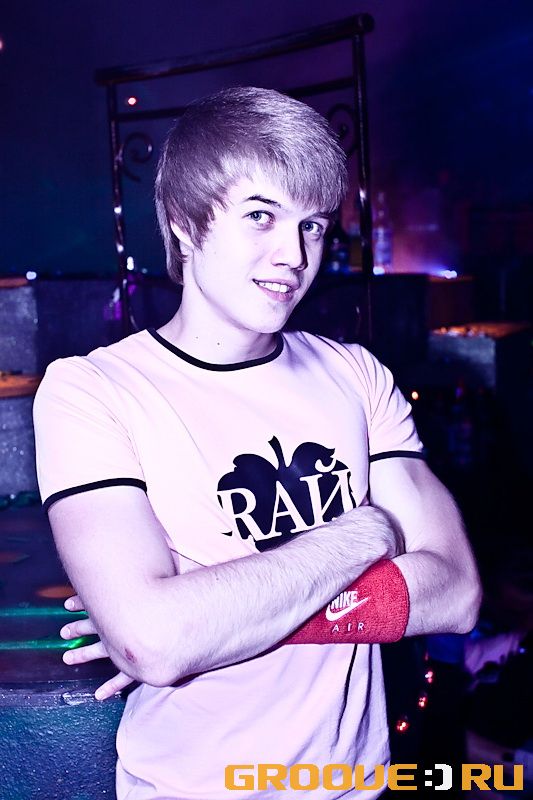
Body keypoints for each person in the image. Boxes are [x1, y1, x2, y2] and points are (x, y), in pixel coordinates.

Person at [33, 86, 481, 799]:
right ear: (184, 224)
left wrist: (206, 616)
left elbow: (455, 593)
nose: (293, 254)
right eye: (261, 216)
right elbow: (154, 641)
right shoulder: (92, 389)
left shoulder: (354, 373)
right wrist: (361, 535)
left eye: (312, 225)